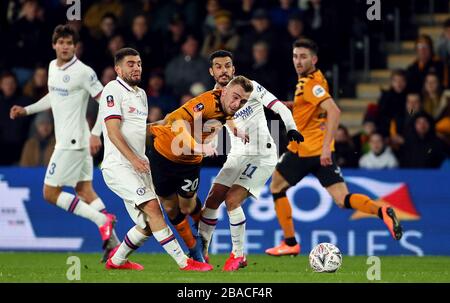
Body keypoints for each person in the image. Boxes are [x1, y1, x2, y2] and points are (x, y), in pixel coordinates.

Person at [265, 38, 403, 257]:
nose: (298, 61)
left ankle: (290, 242)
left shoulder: (309, 84)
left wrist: (328, 148)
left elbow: (334, 111)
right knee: (342, 199)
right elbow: (314, 109)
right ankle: (381, 210)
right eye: (295, 56)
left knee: (276, 187)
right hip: (320, 150)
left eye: (303, 57)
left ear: (314, 59)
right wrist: (291, 106)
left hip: (303, 149)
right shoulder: (317, 79)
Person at [9, 24, 120, 261]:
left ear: (75, 46)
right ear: (54, 45)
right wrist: (26, 110)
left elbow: (106, 101)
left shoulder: (84, 72)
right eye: (61, 42)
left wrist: (96, 133)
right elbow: (54, 96)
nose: (65, 46)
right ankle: (115, 246)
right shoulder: (52, 67)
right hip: (71, 141)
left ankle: (103, 221)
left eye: (69, 43)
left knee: (49, 193)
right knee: (84, 190)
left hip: (73, 142)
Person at [100, 47, 212, 272]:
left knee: (147, 224)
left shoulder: (141, 95)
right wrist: (133, 160)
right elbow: (113, 131)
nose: (136, 67)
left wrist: (162, 126)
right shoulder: (112, 89)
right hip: (120, 165)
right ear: (118, 69)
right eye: (130, 64)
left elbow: (138, 130)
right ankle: (184, 262)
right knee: (153, 208)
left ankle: (117, 261)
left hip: (139, 165)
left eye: (139, 63)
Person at [198, 50, 303, 271]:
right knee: (212, 200)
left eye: (227, 65)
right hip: (237, 154)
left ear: (233, 69)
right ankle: (202, 253)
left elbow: (280, 107)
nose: (223, 70)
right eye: (218, 66)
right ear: (211, 71)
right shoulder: (212, 98)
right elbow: (216, 126)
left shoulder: (250, 87)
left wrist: (291, 128)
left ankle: (238, 255)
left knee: (232, 200)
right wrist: (205, 145)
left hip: (261, 155)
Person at [148, 75, 253, 263]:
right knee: (171, 207)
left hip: (190, 162)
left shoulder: (228, 105)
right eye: (236, 97)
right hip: (164, 156)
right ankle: (195, 249)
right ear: (224, 91)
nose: (238, 104)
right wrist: (199, 147)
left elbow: (226, 115)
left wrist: (235, 129)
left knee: (187, 205)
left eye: (243, 101)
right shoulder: (203, 104)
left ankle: (200, 234)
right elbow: (178, 124)